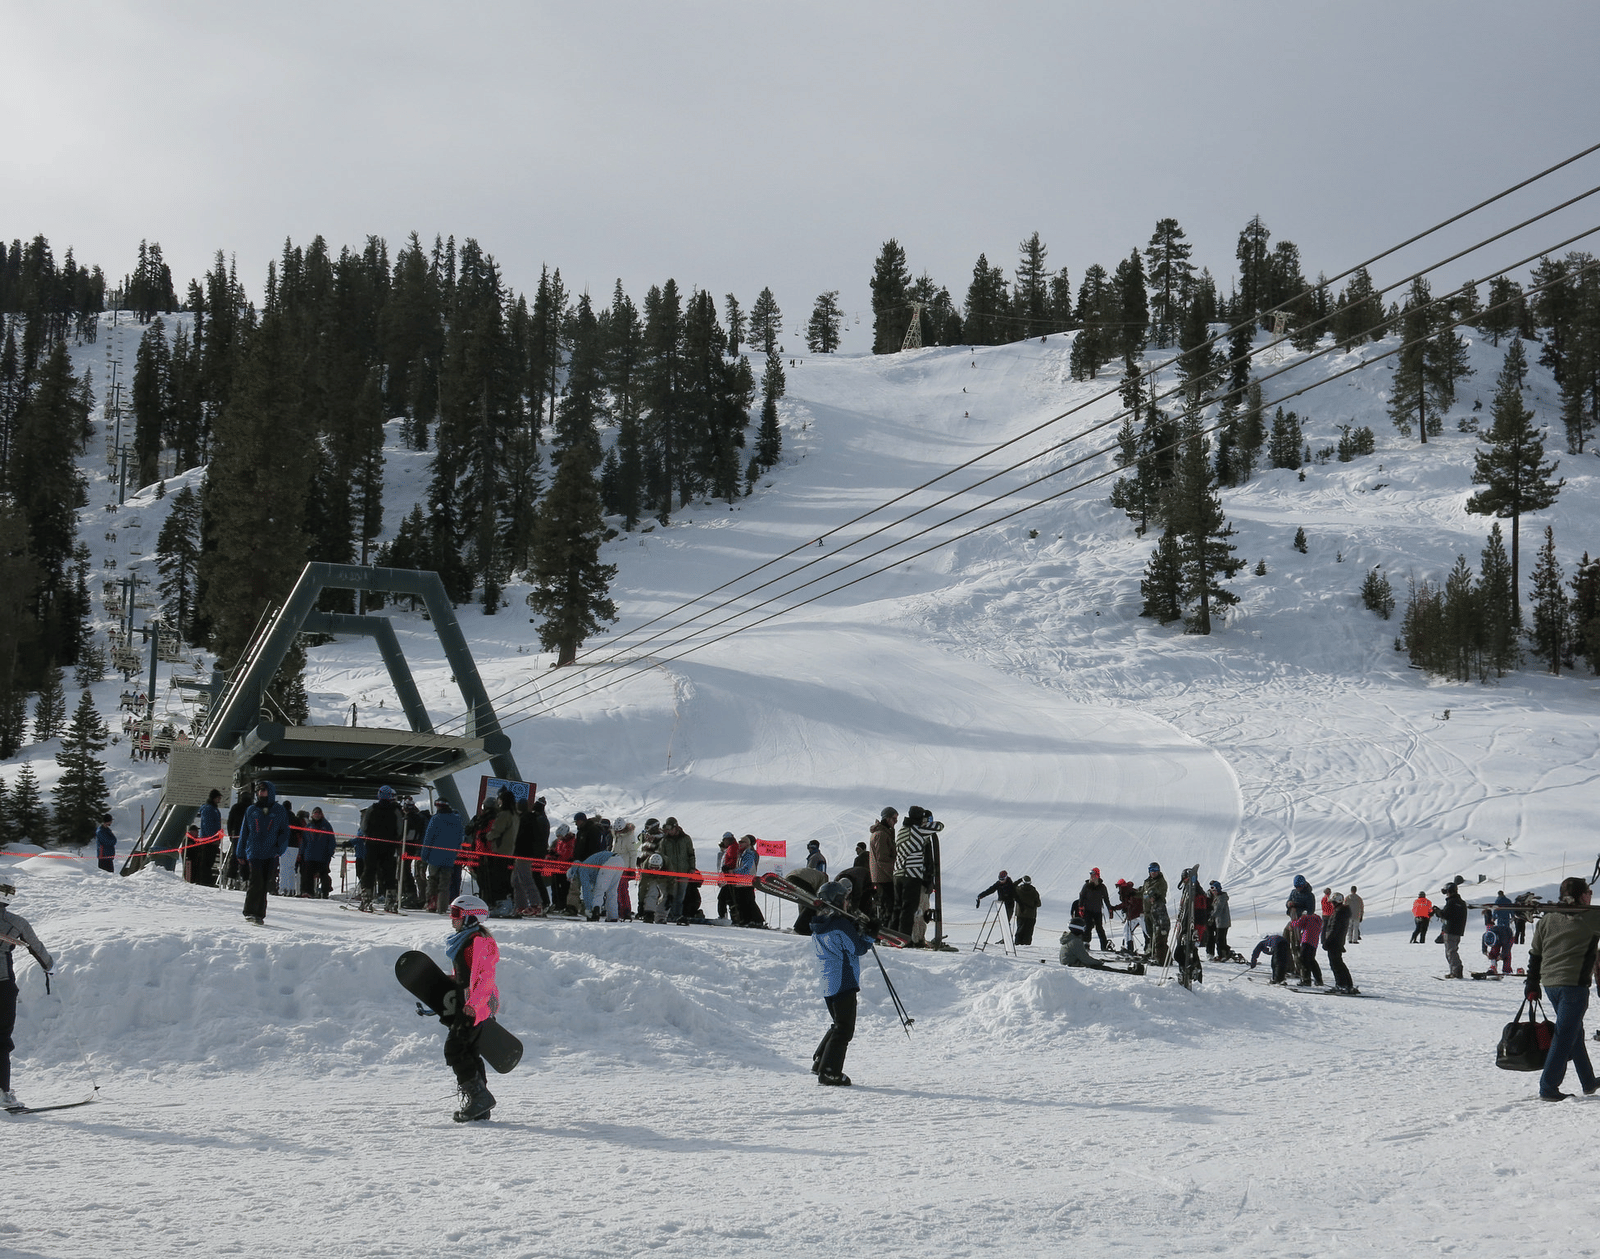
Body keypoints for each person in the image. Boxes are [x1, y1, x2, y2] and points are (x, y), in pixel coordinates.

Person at [1524, 876, 1600, 1101]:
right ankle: (1548, 1087)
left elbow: (1535, 954)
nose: (1591, 896)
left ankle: (1588, 1081)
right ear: (1579, 895)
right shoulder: (1591, 917)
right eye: (1588, 892)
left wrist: (1532, 982)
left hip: (1550, 984)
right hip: (1573, 986)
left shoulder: (1547, 918)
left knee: (1574, 1032)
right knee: (1565, 1035)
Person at [808, 881, 877, 1086]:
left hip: (828, 980)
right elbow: (858, 948)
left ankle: (822, 1060)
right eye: (846, 899)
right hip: (843, 979)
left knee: (839, 1024)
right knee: (845, 1029)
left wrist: (855, 927)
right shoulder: (840, 924)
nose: (848, 903)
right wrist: (870, 934)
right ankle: (830, 1072)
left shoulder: (819, 924)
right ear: (838, 900)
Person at [440, 893, 500, 1122]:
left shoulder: (478, 942)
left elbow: (486, 976)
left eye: (456, 913)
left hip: (473, 1007)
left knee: (454, 1049)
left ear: (470, 917)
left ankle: (480, 1098)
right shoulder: (465, 940)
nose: (451, 918)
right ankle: (480, 1107)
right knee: (470, 1052)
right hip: (468, 1004)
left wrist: (474, 1005)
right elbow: (469, 974)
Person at [0, 878, 55, 1110]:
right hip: (1, 984)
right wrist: (49, 967)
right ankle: (3, 1093)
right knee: (1, 1039)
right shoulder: (16, 922)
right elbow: (38, 949)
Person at [237, 781, 290, 925]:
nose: (261, 793)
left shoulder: (278, 810)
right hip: (254, 851)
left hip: (271, 853)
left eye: (264, 790)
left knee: (266, 883)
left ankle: (259, 913)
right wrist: (240, 853)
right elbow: (244, 832)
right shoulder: (252, 810)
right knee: (256, 882)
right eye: (259, 790)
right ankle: (250, 911)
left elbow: (284, 832)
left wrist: (279, 849)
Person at [1059, 903, 1144, 973]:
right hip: (1075, 965)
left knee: (1102, 967)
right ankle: (1132, 973)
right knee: (1105, 969)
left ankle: (1129, 971)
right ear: (1078, 929)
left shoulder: (1069, 938)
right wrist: (1098, 962)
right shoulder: (1075, 941)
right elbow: (1085, 959)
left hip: (1073, 963)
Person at [361, 786, 406, 914]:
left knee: (369, 871)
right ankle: (391, 902)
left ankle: (366, 900)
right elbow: (399, 829)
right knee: (389, 873)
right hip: (389, 845)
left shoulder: (372, 809)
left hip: (372, 844)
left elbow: (364, 827)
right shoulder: (396, 811)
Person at [893, 809, 932, 941]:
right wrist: (926, 824)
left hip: (897, 873)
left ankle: (892, 934)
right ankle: (904, 937)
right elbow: (939, 826)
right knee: (909, 908)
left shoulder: (902, 830)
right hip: (912, 874)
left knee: (897, 906)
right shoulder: (918, 830)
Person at [420, 799, 465, 913]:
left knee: (432, 880)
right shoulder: (457, 819)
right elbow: (460, 838)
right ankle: (443, 906)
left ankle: (431, 903)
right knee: (445, 883)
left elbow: (428, 839)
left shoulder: (435, 819)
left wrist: (424, 856)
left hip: (434, 856)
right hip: (449, 857)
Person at [511, 796, 546, 918]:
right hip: (522, 853)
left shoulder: (526, 819)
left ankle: (536, 905)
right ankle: (521, 905)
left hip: (524, 853)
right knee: (516, 880)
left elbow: (522, 837)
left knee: (525, 879)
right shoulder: (528, 818)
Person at [658, 817, 697, 924]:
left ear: (676, 827)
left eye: (671, 829)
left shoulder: (686, 839)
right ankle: (669, 915)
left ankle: (678, 915)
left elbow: (691, 853)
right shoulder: (664, 841)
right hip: (671, 873)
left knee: (681, 896)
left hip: (684, 871)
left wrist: (692, 867)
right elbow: (661, 856)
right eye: (667, 829)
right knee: (672, 895)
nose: (669, 831)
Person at [299, 807, 336, 898]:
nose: (317, 815)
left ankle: (325, 892)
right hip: (309, 855)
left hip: (322, 856)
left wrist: (330, 852)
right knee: (306, 874)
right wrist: (301, 853)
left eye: (318, 813)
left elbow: (331, 841)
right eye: (315, 813)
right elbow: (304, 841)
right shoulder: (309, 826)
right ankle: (307, 891)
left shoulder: (326, 826)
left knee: (324, 874)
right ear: (312, 815)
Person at [1323, 892, 1357, 993]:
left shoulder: (1339, 913)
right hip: (1338, 941)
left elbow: (1334, 929)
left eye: (1332, 902)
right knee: (1339, 963)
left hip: (1334, 942)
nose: (1331, 904)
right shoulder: (1342, 912)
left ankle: (1341, 985)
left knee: (1335, 964)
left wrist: (1327, 942)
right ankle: (1348, 985)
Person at [869, 808, 898, 922]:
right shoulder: (881, 835)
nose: (895, 822)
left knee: (885, 908)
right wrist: (894, 873)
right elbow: (883, 859)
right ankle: (884, 935)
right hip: (884, 878)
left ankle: (883, 935)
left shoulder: (883, 833)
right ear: (887, 818)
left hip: (881, 877)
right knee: (888, 909)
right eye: (894, 819)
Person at [1434, 882, 1468, 979]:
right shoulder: (1461, 902)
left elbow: (1445, 915)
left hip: (1451, 930)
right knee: (1452, 951)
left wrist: (1437, 911)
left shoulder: (1452, 902)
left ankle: (1456, 971)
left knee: (1451, 952)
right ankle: (1455, 970)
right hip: (1457, 930)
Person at [190, 789, 223, 887]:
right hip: (209, 841)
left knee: (209, 861)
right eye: (218, 798)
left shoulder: (213, 809)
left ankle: (206, 880)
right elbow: (208, 825)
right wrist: (213, 839)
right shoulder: (209, 809)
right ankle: (204, 881)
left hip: (212, 840)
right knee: (206, 862)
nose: (219, 800)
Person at [733, 835, 765, 928]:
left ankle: (757, 920)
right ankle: (746, 919)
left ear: (748, 843)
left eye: (742, 842)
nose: (739, 844)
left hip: (746, 881)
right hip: (742, 881)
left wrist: (734, 871)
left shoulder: (749, 854)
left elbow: (747, 868)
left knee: (748, 901)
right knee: (742, 901)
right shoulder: (743, 853)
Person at [1079, 868, 1114, 950]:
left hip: (1097, 911)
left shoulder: (1102, 887)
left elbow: (1106, 898)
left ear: (1097, 875)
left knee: (1099, 928)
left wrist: (1109, 908)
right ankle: (1086, 944)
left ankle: (1104, 945)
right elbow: (1082, 896)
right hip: (1088, 910)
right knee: (1087, 927)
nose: (1092, 877)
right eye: (1091, 875)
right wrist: (1080, 907)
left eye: (1093, 875)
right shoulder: (1087, 885)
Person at [1143, 863, 1170, 961]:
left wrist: (1153, 896)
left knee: (1158, 935)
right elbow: (1143, 893)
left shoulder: (1161, 882)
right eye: (1152, 870)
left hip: (1156, 911)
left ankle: (1161, 956)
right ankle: (1153, 953)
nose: (1153, 872)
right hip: (1147, 911)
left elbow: (1160, 893)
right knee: (1151, 935)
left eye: (1155, 870)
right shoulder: (1147, 882)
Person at [1291, 908, 1325, 986]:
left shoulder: (1306, 917)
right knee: (1312, 960)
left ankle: (1306, 979)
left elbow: (1298, 924)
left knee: (1303, 959)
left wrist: (1292, 923)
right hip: (1314, 942)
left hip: (1306, 940)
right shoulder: (1318, 919)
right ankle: (1318, 979)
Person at [1488, 891, 1515, 975]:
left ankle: (1493, 966)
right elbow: (1511, 910)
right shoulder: (1508, 901)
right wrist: (1512, 916)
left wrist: (1493, 918)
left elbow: (1496, 910)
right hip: (1506, 923)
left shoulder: (1498, 901)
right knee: (1506, 948)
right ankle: (1507, 969)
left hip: (1500, 923)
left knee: (1496, 946)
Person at [716, 834, 740, 923]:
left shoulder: (732, 847)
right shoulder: (731, 847)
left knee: (722, 898)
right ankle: (733, 918)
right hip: (728, 877)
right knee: (729, 899)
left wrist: (727, 867)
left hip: (729, 878)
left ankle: (723, 917)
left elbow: (732, 860)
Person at [1207, 880, 1233, 960]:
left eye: (1214, 890)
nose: (1213, 892)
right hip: (1219, 922)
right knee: (1220, 939)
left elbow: (1218, 910)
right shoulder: (1217, 897)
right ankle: (1224, 953)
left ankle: (1223, 955)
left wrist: (1211, 916)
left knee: (1220, 939)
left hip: (1222, 922)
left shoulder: (1221, 898)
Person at [1013, 875, 1041, 946]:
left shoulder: (1018, 890)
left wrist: (1019, 880)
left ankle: (1017, 943)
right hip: (1031, 915)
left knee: (1020, 929)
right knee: (1028, 932)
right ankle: (1026, 944)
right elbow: (1038, 904)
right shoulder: (1034, 892)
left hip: (1020, 913)